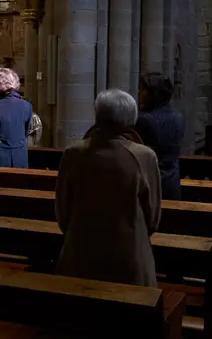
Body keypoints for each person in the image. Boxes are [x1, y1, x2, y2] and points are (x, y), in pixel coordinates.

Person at [55, 89, 162, 287]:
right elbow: (153, 217)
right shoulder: (144, 156)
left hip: (80, 251)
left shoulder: (73, 153)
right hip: (129, 254)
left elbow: (62, 210)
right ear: (131, 118)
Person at [134, 73, 185, 201]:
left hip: (152, 183)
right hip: (172, 180)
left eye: (143, 89)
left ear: (153, 94)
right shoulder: (177, 116)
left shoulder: (144, 120)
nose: (139, 93)